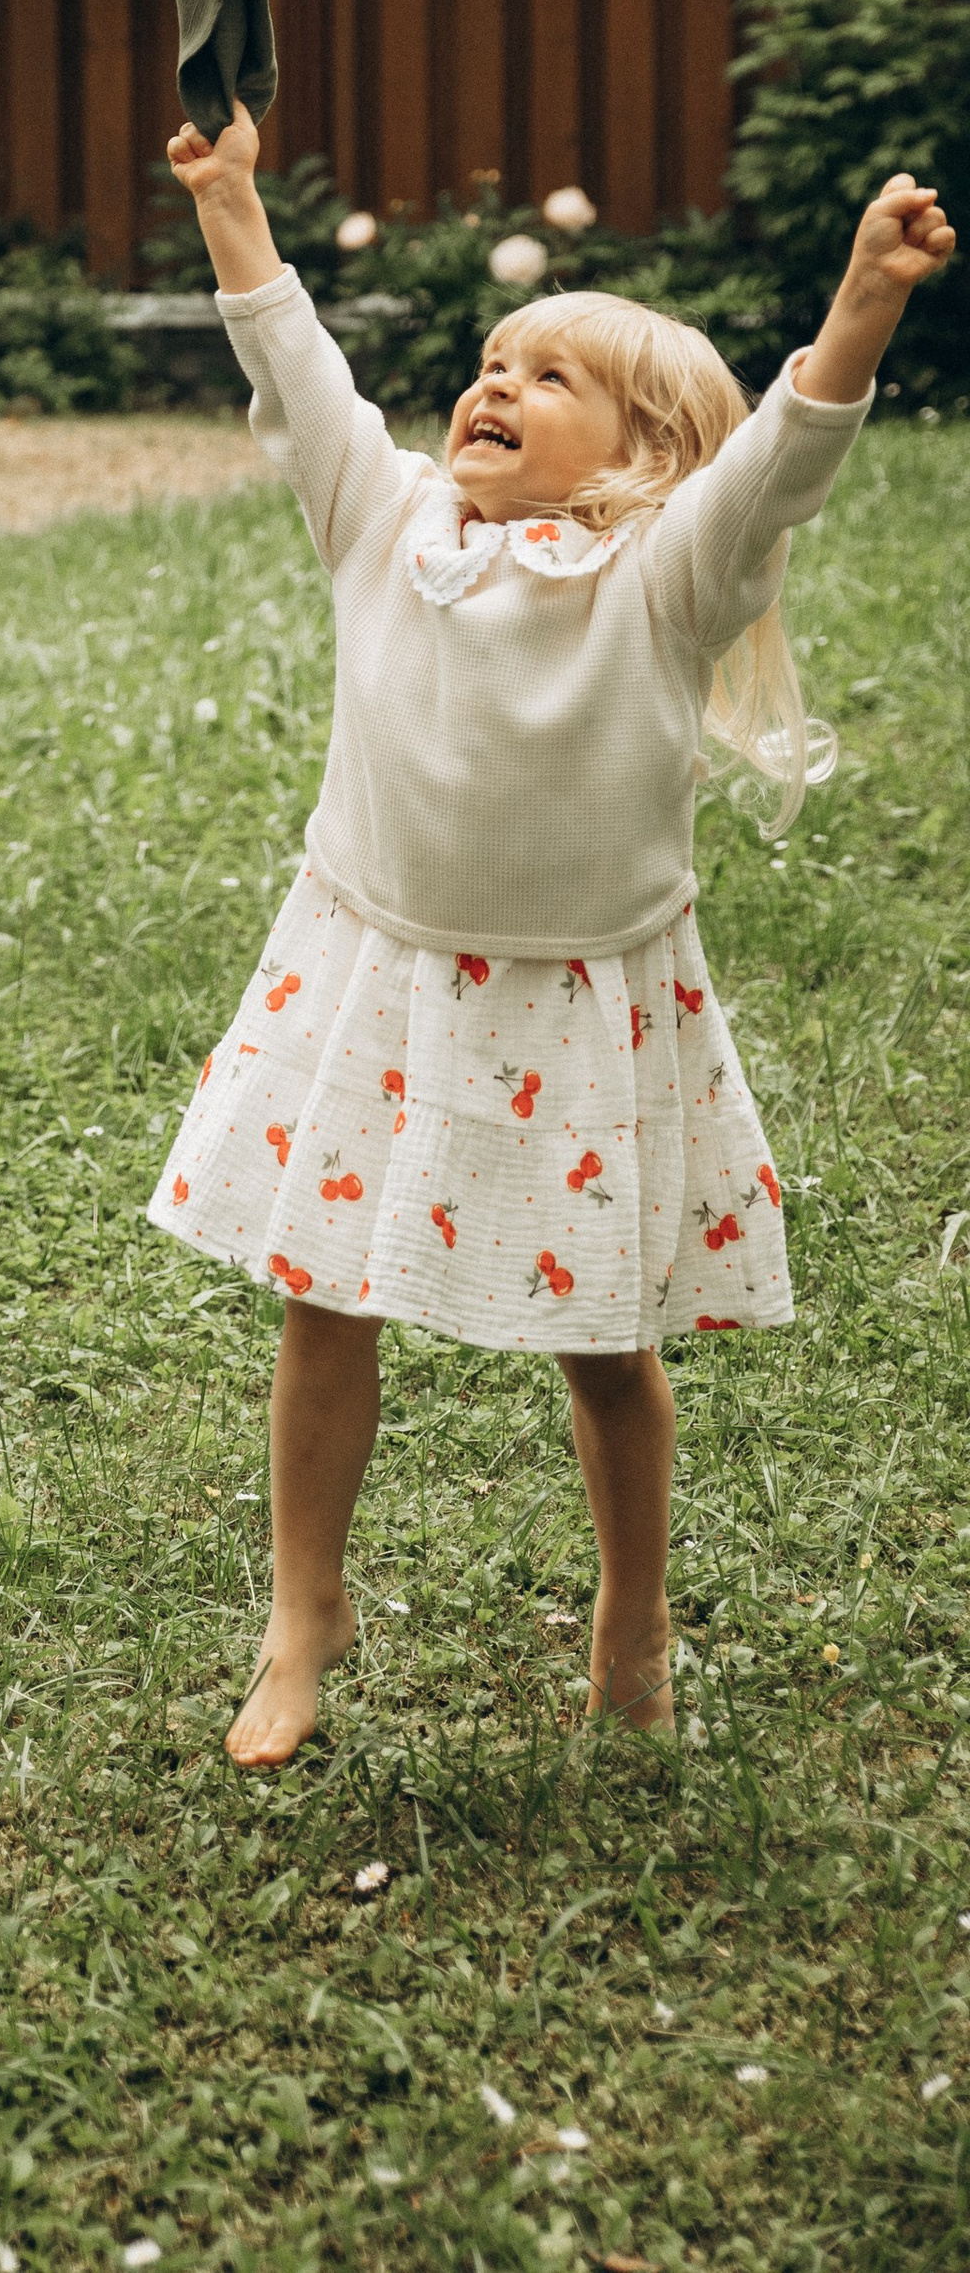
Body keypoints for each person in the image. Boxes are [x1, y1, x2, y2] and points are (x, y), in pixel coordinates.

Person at [147, 109, 951, 1767]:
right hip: (380, 964)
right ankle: (307, 1610)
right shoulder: (389, 529)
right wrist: (230, 200)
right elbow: (298, 378)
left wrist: (863, 301)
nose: (495, 385)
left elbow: (787, 452)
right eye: (492, 361)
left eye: (549, 378)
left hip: (584, 996)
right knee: (322, 1301)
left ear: (647, 456)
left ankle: (632, 1613)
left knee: (603, 1344)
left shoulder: (665, 576)